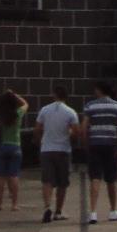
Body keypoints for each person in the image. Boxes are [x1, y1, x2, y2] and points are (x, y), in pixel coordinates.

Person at [82, 79, 117, 222]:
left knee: (95, 177)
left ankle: (93, 212)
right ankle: (113, 211)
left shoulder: (90, 106)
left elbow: (83, 128)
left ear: (100, 90)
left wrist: (86, 143)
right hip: (110, 144)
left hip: (95, 144)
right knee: (111, 179)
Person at [34, 82, 79, 222]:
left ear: (54, 95)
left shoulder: (44, 110)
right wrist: (70, 136)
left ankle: (47, 207)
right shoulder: (70, 112)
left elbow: (38, 128)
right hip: (63, 150)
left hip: (46, 149)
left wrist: (40, 141)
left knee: (47, 181)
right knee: (62, 183)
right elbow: (76, 132)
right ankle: (58, 211)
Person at [0, 90, 28, 211]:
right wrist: (14, 95)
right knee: (14, 175)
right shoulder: (18, 113)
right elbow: (25, 104)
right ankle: (14, 204)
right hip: (15, 146)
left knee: (0, 176)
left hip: (1, 146)